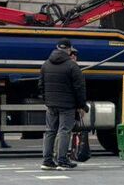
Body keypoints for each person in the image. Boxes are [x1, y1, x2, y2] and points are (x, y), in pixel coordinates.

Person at [40, 39, 86, 170]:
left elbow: (41, 85)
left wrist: (47, 100)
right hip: (67, 105)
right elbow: (79, 88)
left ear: (57, 48)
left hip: (51, 104)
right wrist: (81, 105)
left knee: (50, 131)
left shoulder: (46, 64)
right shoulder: (72, 66)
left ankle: (47, 161)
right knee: (64, 131)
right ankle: (62, 160)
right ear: (69, 49)